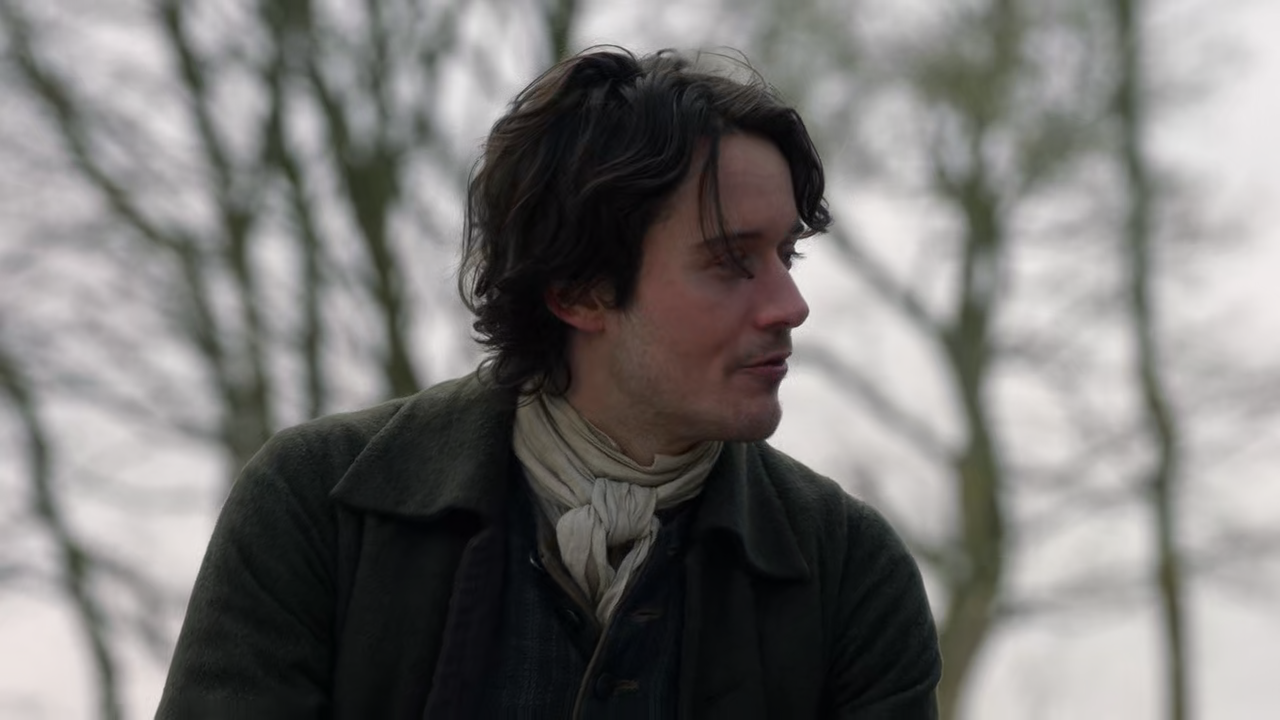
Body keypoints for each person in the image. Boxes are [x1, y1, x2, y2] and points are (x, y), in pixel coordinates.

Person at [156, 46, 941, 719]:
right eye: (732, 261)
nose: (790, 305)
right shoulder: (319, 508)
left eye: (786, 255)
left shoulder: (849, 572)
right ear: (577, 292)